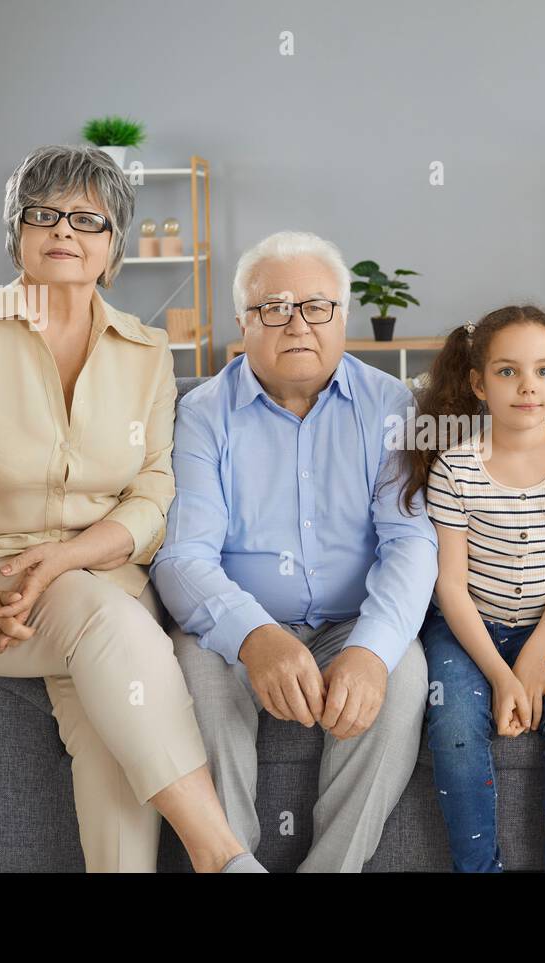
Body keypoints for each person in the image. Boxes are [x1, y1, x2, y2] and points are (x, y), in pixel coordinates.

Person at [0, 145, 259, 872]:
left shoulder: (146, 350)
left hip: (95, 585)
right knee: (111, 629)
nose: (64, 229)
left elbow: (154, 493)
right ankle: (223, 857)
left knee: (108, 717)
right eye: (44, 213)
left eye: (88, 219)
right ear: (18, 232)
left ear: (114, 245)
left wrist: (68, 556)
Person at [150, 230, 437, 872]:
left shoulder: (394, 406)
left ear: (343, 318)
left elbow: (411, 543)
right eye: (273, 308)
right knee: (192, 674)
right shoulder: (201, 414)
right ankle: (231, 864)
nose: (297, 324)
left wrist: (369, 649)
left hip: (349, 622)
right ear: (243, 323)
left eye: (316, 307)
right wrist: (254, 636)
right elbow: (182, 557)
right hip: (233, 626)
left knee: (404, 672)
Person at [401, 305, 545, 871]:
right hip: (465, 629)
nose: (529, 387)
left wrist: (535, 658)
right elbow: (449, 585)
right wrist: (501, 674)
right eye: (507, 372)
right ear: (477, 383)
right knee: (453, 729)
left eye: (544, 371)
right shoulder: (456, 467)